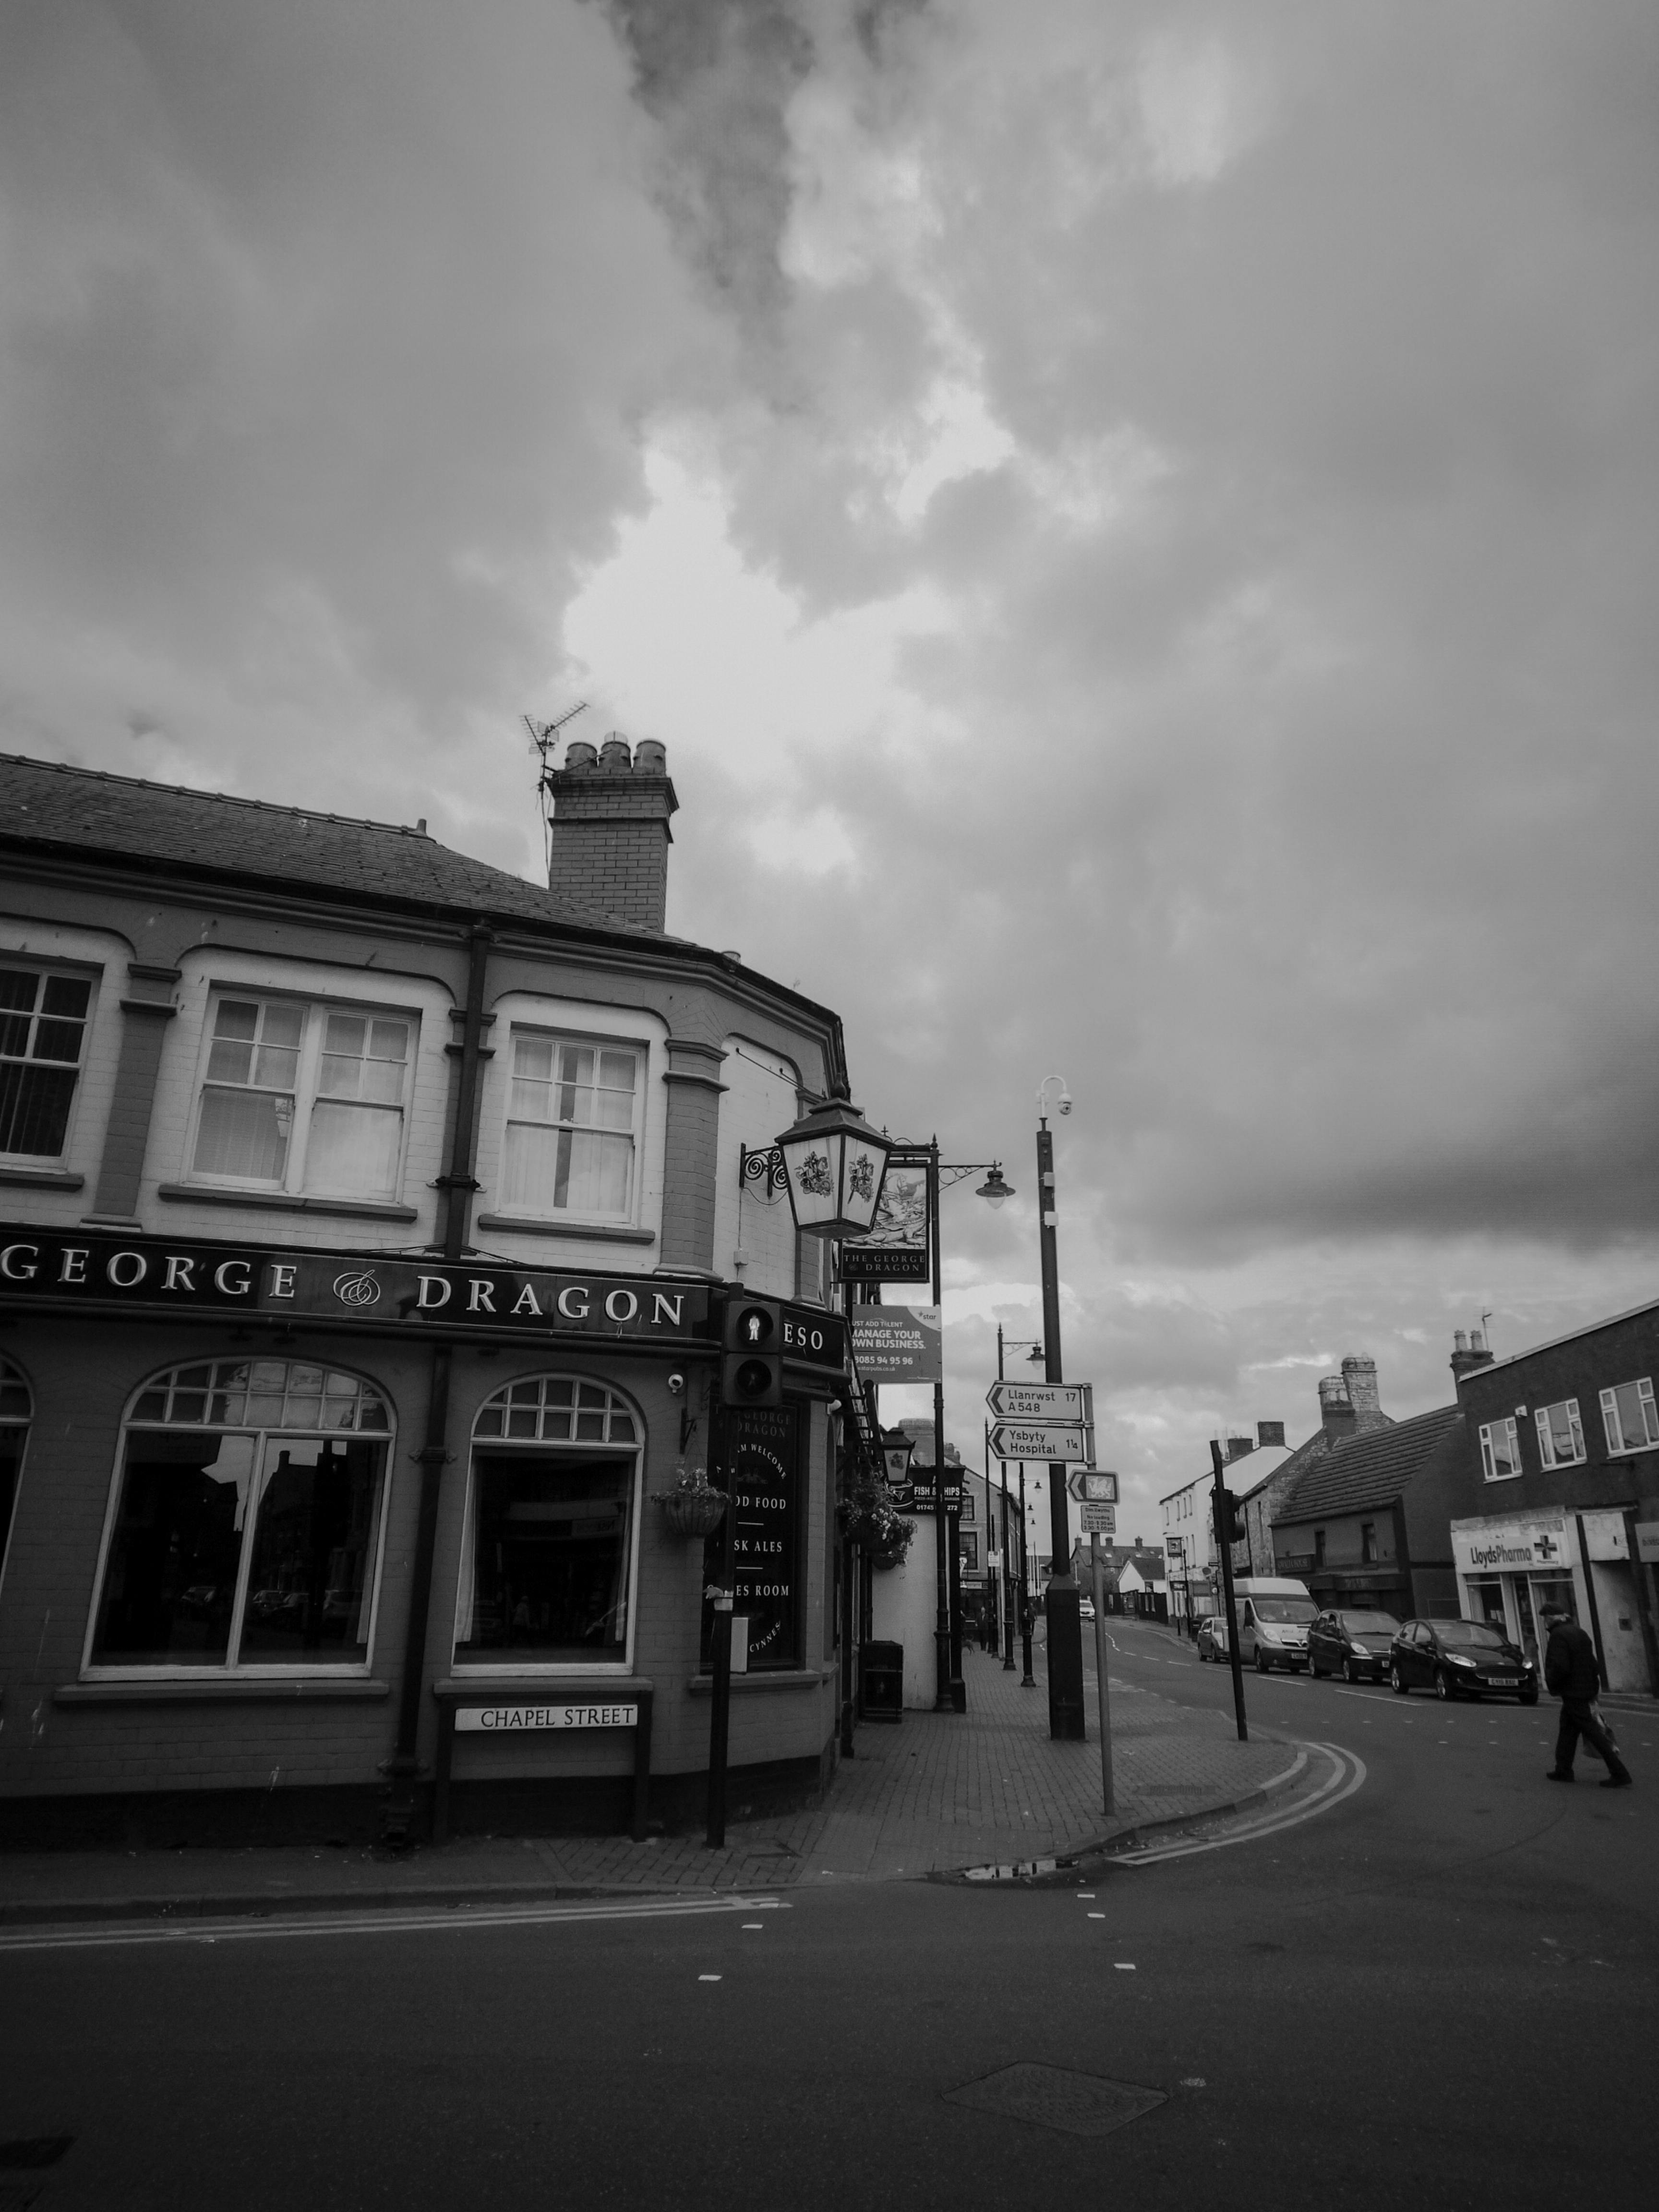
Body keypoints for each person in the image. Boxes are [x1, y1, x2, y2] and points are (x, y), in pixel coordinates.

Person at [1541, 1604, 1632, 1788]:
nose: (1544, 1621)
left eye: (1546, 1617)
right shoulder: (1579, 1632)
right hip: (1585, 1688)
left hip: (1573, 1691)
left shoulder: (1558, 1636)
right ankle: (1563, 1769)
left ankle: (1619, 1772)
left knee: (1593, 1732)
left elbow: (1560, 1666)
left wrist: (1553, 1684)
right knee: (1568, 1730)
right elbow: (1593, 1663)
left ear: (1552, 1618)